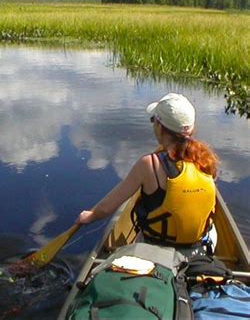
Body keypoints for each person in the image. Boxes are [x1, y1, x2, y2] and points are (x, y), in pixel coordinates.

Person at [76, 93, 218, 253]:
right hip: (199, 249)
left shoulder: (149, 164)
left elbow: (106, 208)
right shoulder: (206, 159)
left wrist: (89, 216)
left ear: (159, 126)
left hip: (158, 248)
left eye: (153, 120)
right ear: (191, 128)